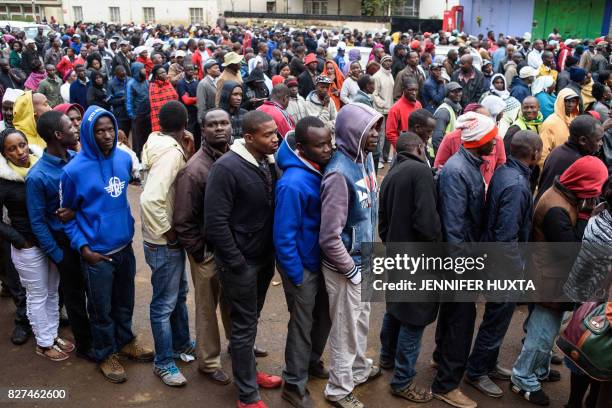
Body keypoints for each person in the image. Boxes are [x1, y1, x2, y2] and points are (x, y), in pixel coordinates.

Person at [60, 106, 154, 383]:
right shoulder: (73, 171)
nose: (106, 135)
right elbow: (65, 216)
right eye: (99, 130)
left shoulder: (123, 159)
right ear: (89, 133)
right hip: (96, 254)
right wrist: (83, 248)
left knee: (124, 303)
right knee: (101, 310)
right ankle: (105, 353)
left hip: (124, 247)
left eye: (110, 129)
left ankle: (125, 342)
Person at [511, 156, 608, 406]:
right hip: (548, 282)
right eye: (594, 188)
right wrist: (587, 218)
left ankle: (538, 371)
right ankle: (523, 379)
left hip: (552, 278)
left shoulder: (565, 196)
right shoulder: (557, 208)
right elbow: (570, 249)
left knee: (548, 332)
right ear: (583, 183)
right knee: (540, 336)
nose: (596, 194)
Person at [204, 111, 283, 408]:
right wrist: (236, 262)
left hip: (262, 259)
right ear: (249, 138)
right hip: (240, 264)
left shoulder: (267, 161)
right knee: (243, 325)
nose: (275, 138)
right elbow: (215, 221)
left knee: (251, 321)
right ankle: (247, 395)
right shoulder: (226, 168)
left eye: (275, 132)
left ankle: (247, 373)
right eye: (268, 134)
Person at [464, 130, 543, 399]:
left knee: (497, 319)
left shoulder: (505, 171)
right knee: (495, 321)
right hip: (503, 265)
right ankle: (476, 372)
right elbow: (505, 236)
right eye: (540, 150)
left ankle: (487, 363)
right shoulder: (518, 185)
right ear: (533, 154)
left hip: (497, 260)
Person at [319, 103, 383, 408]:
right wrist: (352, 270)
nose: (376, 135)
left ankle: (358, 370)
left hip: (366, 257)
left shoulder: (366, 159)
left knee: (361, 321)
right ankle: (339, 389)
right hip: (347, 267)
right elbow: (329, 236)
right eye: (370, 128)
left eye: (377, 128)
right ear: (352, 131)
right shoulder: (337, 174)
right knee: (344, 329)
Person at [434, 112, 498, 408]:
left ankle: (441, 362)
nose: (496, 142)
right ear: (479, 142)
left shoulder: (471, 164)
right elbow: (454, 227)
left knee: (452, 317)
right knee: (461, 321)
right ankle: (447, 385)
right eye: (492, 138)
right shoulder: (457, 172)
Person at [274, 117, 333, 408]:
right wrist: (297, 275)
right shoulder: (292, 183)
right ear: (301, 147)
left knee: (324, 317)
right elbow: (283, 236)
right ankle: (293, 385)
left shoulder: (317, 169)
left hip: (318, 261)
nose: (327, 149)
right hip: (302, 267)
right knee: (302, 324)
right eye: (320, 145)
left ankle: (311, 363)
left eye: (329, 142)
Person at [378, 132, 440, 404]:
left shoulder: (392, 172)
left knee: (395, 310)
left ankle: (386, 358)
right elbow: (427, 222)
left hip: (396, 253)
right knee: (413, 320)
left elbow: (382, 219)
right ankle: (402, 381)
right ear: (418, 148)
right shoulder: (420, 171)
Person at [0, 127, 71, 361]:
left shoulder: (41, 166)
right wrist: (20, 241)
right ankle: (43, 342)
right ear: (4, 154)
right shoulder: (4, 180)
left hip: (49, 241)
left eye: (21, 144)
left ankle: (51, 334)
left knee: (52, 291)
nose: (19, 152)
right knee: (37, 295)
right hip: (29, 246)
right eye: (11, 149)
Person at [28, 110, 93, 361]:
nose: (76, 128)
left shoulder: (78, 158)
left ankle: (100, 335)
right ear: (57, 134)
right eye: (70, 125)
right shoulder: (38, 176)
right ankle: (86, 346)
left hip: (86, 238)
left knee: (94, 292)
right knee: (75, 298)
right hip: (64, 246)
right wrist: (57, 255)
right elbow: (38, 222)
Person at [173, 108, 232, 385]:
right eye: (213, 124)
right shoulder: (194, 169)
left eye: (224, 123)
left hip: (230, 250)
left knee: (234, 302)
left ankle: (238, 343)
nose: (219, 128)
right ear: (203, 130)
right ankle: (208, 362)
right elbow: (183, 220)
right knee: (207, 309)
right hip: (207, 253)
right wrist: (200, 253)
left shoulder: (233, 158)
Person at [140, 101, 194, 387]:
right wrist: (169, 233)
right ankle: (164, 362)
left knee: (178, 294)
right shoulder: (170, 154)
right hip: (162, 242)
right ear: (186, 121)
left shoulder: (155, 141)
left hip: (159, 239)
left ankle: (182, 343)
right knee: (164, 303)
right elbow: (150, 199)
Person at [537, 115, 604, 202]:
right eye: (598, 140)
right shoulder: (580, 163)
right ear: (583, 141)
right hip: (555, 211)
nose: (601, 143)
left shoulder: (557, 150)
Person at [539, 88, 580, 168]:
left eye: (573, 101)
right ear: (560, 102)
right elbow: (543, 153)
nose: (570, 104)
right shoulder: (550, 123)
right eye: (567, 101)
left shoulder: (575, 119)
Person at [386, 77, 422, 148]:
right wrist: (402, 148)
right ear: (403, 89)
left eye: (416, 90)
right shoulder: (395, 108)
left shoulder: (418, 105)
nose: (414, 93)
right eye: (411, 90)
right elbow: (390, 133)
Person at [126, 62, 151, 158]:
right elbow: (129, 101)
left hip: (147, 114)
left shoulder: (146, 81)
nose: (145, 70)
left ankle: (147, 156)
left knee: (147, 137)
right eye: (142, 69)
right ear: (137, 71)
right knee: (137, 140)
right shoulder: (131, 84)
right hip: (137, 116)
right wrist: (132, 115)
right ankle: (138, 158)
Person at [432, 82, 463, 152]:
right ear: (447, 94)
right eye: (454, 92)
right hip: (437, 154)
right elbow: (437, 139)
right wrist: (443, 157)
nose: (458, 94)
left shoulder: (455, 109)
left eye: (459, 91)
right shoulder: (444, 112)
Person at [149, 65, 178, 133]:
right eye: (161, 73)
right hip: (161, 118)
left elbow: (175, 97)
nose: (164, 74)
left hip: (173, 115)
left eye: (165, 72)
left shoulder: (168, 84)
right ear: (156, 76)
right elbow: (156, 107)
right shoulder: (153, 87)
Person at [177, 64, 200, 149]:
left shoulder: (197, 82)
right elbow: (186, 100)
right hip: (187, 113)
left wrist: (192, 98)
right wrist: (196, 98)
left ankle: (197, 151)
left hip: (196, 112)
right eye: (188, 70)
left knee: (198, 135)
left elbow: (195, 98)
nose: (191, 71)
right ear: (184, 71)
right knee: (189, 135)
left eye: (192, 69)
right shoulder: (181, 83)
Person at [196, 59, 220, 126]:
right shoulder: (203, 84)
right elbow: (201, 104)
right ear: (208, 71)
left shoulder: (219, 80)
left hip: (219, 115)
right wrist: (202, 121)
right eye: (215, 68)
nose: (218, 69)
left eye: (218, 68)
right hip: (210, 118)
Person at [107, 66, 130, 136]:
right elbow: (109, 101)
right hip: (119, 115)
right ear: (116, 74)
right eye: (121, 76)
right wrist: (122, 100)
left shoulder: (129, 80)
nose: (123, 78)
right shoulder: (111, 84)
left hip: (129, 113)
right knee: (120, 135)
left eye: (124, 75)